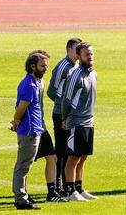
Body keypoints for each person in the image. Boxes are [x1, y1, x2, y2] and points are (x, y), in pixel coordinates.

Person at [11, 50, 59, 210]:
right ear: (33, 66)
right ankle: (21, 199)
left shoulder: (37, 82)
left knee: (28, 164)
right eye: (42, 66)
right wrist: (16, 121)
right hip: (30, 131)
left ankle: (22, 195)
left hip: (37, 129)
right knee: (23, 166)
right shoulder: (30, 85)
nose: (46, 69)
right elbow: (21, 108)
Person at [60, 42, 97, 201]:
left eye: (91, 54)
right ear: (79, 56)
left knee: (83, 156)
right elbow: (66, 99)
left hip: (89, 121)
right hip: (76, 121)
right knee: (73, 157)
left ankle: (79, 188)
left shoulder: (93, 73)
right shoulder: (75, 74)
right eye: (86, 54)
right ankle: (70, 191)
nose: (90, 56)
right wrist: (64, 118)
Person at [46, 37, 81, 194]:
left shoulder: (76, 66)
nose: (79, 52)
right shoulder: (63, 67)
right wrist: (62, 105)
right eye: (76, 49)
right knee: (61, 150)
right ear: (68, 49)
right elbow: (51, 91)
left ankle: (67, 184)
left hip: (72, 114)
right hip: (61, 114)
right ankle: (58, 184)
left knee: (70, 149)